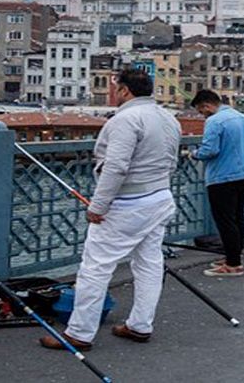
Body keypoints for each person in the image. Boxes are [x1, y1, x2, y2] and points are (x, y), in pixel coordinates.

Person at [41, 68, 181, 351]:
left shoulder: (125, 120)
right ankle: (140, 325)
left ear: (125, 91)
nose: (113, 92)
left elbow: (116, 167)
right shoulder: (169, 118)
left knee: (95, 267)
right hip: (160, 197)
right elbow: (172, 161)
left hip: (128, 205)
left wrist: (98, 206)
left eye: (115, 88)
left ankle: (79, 333)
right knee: (149, 264)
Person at [190, 89, 244, 277]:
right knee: (237, 217)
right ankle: (233, 255)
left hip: (223, 177)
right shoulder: (243, 118)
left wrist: (194, 154)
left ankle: (233, 265)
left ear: (206, 105)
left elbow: (210, 150)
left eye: (201, 111)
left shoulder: (214, 121)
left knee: (225, 220)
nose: (202, 115)